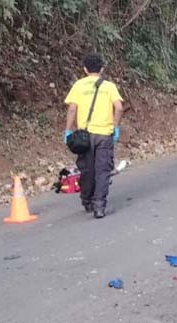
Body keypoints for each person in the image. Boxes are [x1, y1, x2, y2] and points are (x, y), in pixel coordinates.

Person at [63, 53, 124, 219]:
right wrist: (115, 127)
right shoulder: (109, 86)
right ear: (102, 69)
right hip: (105, 135)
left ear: (84, 69)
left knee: (87, 169)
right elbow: (119, 108)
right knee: (102, 171)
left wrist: (68, 130)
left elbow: (72, 109)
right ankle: (99, 207)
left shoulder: (78, 85)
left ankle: (87, 201)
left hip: (85, 135)